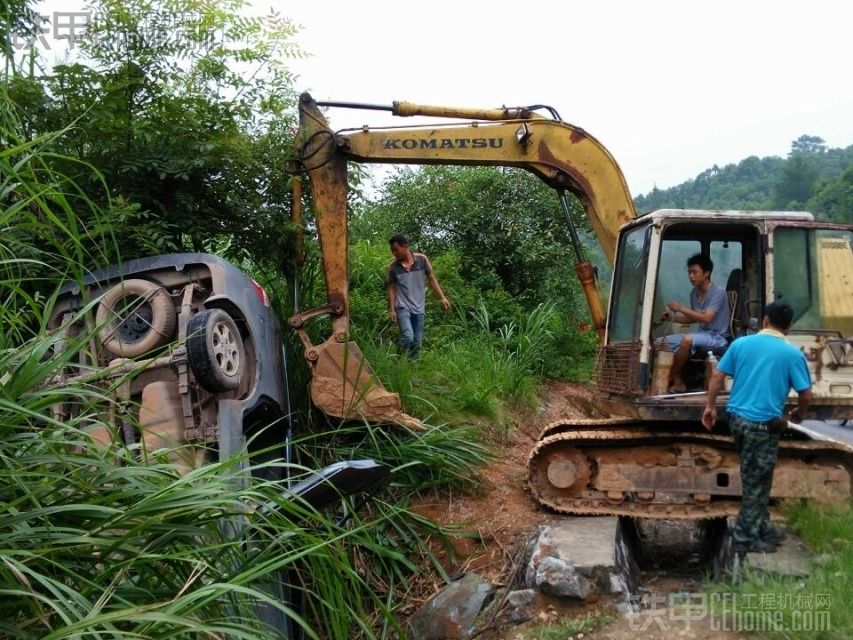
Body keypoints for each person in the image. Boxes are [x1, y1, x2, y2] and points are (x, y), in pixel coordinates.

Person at [702, 302, 812, 555]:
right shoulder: (792, 354)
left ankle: (762, 527)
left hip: (737, 420)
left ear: (764, 321)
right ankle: (743, 538)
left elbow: (718, 376)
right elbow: (805, 394)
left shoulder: (741, 344)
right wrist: (799, 414)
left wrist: (709, 407)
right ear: (790, 327)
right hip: (762, 425)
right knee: (757, 480)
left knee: (757, 475)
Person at [659, 253, 731, 393]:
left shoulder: (718, 293)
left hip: (718, 338)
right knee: (660, 343)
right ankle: (678, 382)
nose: (691, 276)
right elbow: (694, 318)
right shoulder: (694, 293)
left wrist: (680, 308)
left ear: (706, 273)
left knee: (687, 339)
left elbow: (706, 318)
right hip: (702, 334)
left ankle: (668, 378)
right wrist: (672, 318)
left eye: (695, 272)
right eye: (689, 272)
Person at [387, 234, 450, 360]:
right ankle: (397, 358)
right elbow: (391, 288)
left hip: (419, 307)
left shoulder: (422, 260)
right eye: (392, 251)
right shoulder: (393, 267)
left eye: (396, 249)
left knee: (416, 342)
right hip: (403, 306)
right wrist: (392, 309)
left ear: (405, 246)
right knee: (408, 336)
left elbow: (432, 279)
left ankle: (412, 368)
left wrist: (442, 297)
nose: (394, 253)